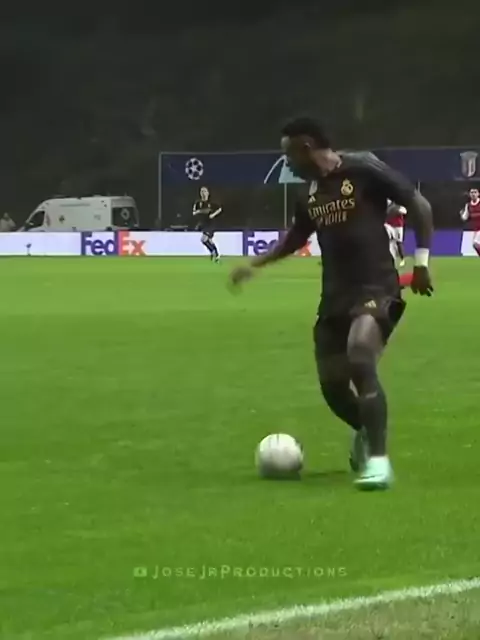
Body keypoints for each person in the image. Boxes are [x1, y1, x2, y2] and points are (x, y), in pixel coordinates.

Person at [229, 117, 433, 491]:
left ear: (306, 147)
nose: (287, 163)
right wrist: (255, 265)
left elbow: (418, 203)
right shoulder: (308, 194)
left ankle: (379, 462)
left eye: (288, 154)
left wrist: (421, 264)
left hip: (377, 286)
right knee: (334, 388)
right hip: (335, 297)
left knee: (360, 355)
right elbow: (295, 238)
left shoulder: (363, 167)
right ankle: (365, 430)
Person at [192, 187, 222, 262]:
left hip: (211, 223)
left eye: (205, 191)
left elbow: (219, 209)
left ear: (208, 193)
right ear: (200, 193)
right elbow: (194, 212)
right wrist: (198, 212)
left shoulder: (212, 202)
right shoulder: (198, 203)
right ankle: (216, 254)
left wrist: (213, 214)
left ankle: (213, 251)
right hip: (204, 224)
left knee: (204, 239)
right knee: (208, 240)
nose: (203, 193)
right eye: (202, 191)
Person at [385, 199, 406, 267]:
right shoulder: (386, 208)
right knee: (391, 242)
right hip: (390, 225)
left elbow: (404, 211)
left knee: (398, 243)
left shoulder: (398, 207)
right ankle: (392, 259)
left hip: (398, 227)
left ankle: (402, 259)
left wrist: (397, 210)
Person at [460, 187, 480, 257]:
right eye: (472, 192)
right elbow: (465, 217)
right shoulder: (468, 205)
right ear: (469, 194)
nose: (473, 194)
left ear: (478, 194)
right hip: (476, 230)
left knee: (475, 243)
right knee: (475, 245)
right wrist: (461, 214)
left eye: (475, 192)